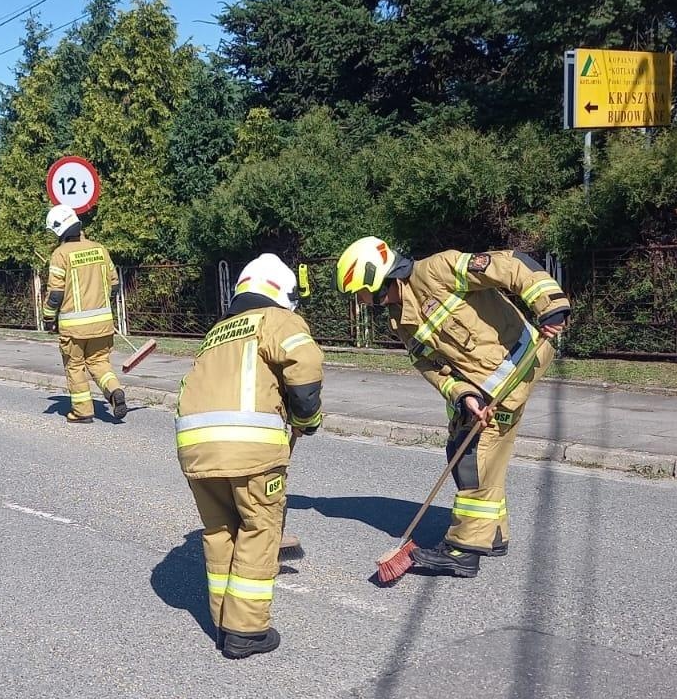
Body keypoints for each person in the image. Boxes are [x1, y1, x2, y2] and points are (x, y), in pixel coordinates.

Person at [335, 238, 571, 578]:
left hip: (519, 366)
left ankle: (463, 549)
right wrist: (461, 394)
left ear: (379, 277)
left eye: (362, 292)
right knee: (465, 451)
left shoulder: (440, 269)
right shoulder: (400, 318)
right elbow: (427, 363)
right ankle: (492, 534)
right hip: (481, 389)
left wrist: (550, 304)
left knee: (474, 456)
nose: (361, 301)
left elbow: (512, 264)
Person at [176, 254, 324, 659]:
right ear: (281, 292)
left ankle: (223, 623)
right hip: (252, 452)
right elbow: (305, 367)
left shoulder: (216, 333)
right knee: (260, 529)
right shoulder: (279, 321)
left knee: (221, 531)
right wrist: (307, 419)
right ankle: (247, 633)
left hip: (196, 452)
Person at [41, 204, 127, 423]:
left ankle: (82, 412)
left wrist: (48, 318)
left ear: (58, 230)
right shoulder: (100, 249)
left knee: (76, 366)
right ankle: (114, 390)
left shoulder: (60, 255)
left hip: (74, 328)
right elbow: (114, 285)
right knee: (100, 362)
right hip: (103, 324)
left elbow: (55, 295)